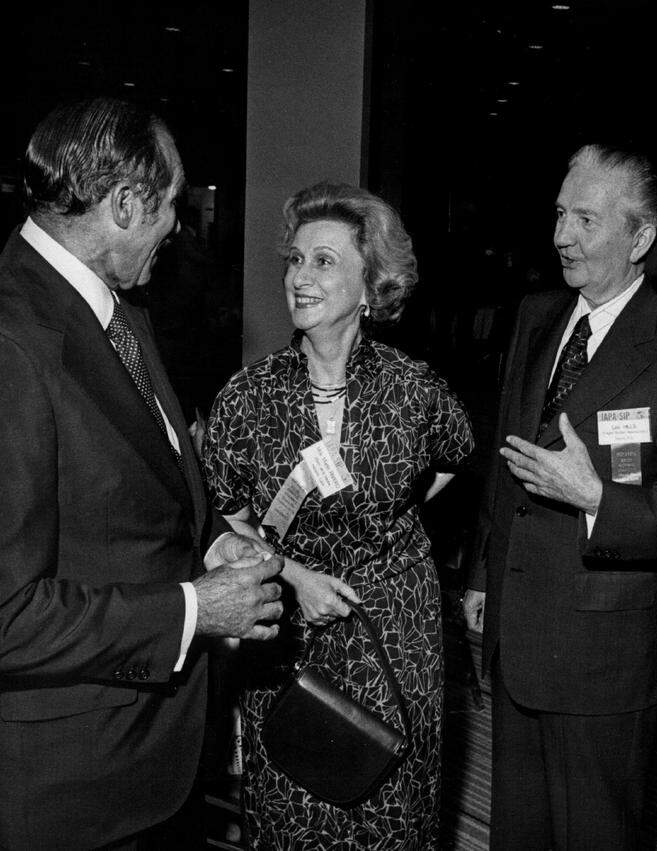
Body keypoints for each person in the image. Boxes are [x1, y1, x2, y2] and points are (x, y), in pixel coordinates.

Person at [0, 97, 284, 849]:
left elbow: (133, 499)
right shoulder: (13, 342)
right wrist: (196, 608)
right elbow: (8, 614)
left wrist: (213, 539)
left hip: (143, 763)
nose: (178, 226)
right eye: (170, 205)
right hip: (72, 788)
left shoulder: (116, 310)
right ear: (126, 203)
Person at [462, 143, 657, 850]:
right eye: (558, 214)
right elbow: (503, 456)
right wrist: (485, 572)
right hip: (516, 634)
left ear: (640, 237)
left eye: (584, 218)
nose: (560, 236)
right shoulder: (537, 316)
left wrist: (595, 499)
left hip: (603, 660)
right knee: (517, 833)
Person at [203, 182, 473, 848]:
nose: (300, 276)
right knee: (293, 792)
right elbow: (224, 514)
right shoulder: (249, 394)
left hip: (395, 624)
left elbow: (454, 456)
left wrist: (387, 522)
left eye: (323, 261)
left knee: (393, 798)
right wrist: (294, 573)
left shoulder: (413, 387)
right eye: (295, 260)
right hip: (290, 628)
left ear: (371, 284)